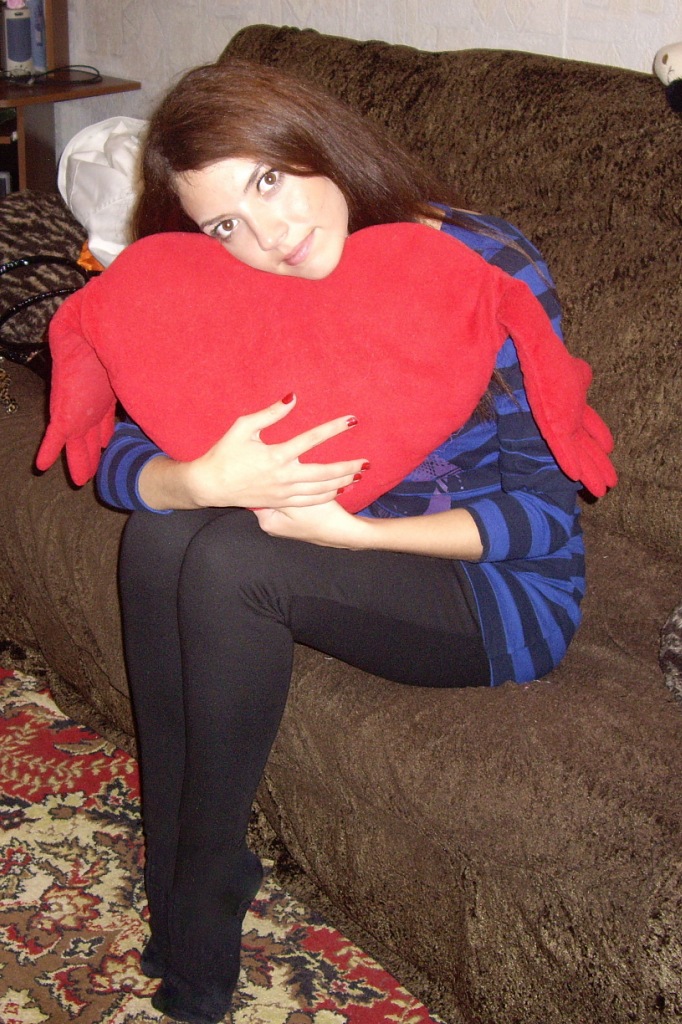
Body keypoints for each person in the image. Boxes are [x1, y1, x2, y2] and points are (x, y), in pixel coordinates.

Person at [96, 58, 593, 1024]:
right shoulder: (239, 283)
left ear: (317, 144)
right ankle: (178, 877)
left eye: (268, 180)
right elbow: (116, 452)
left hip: (499, 588)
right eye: (223, 224)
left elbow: (547, 517)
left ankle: (198, 914)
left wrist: (357, 534)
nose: (269, 236)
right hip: (327, 540)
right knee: (161, 536)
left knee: (231, 565)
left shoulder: (480, 265)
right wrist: (196, 480)